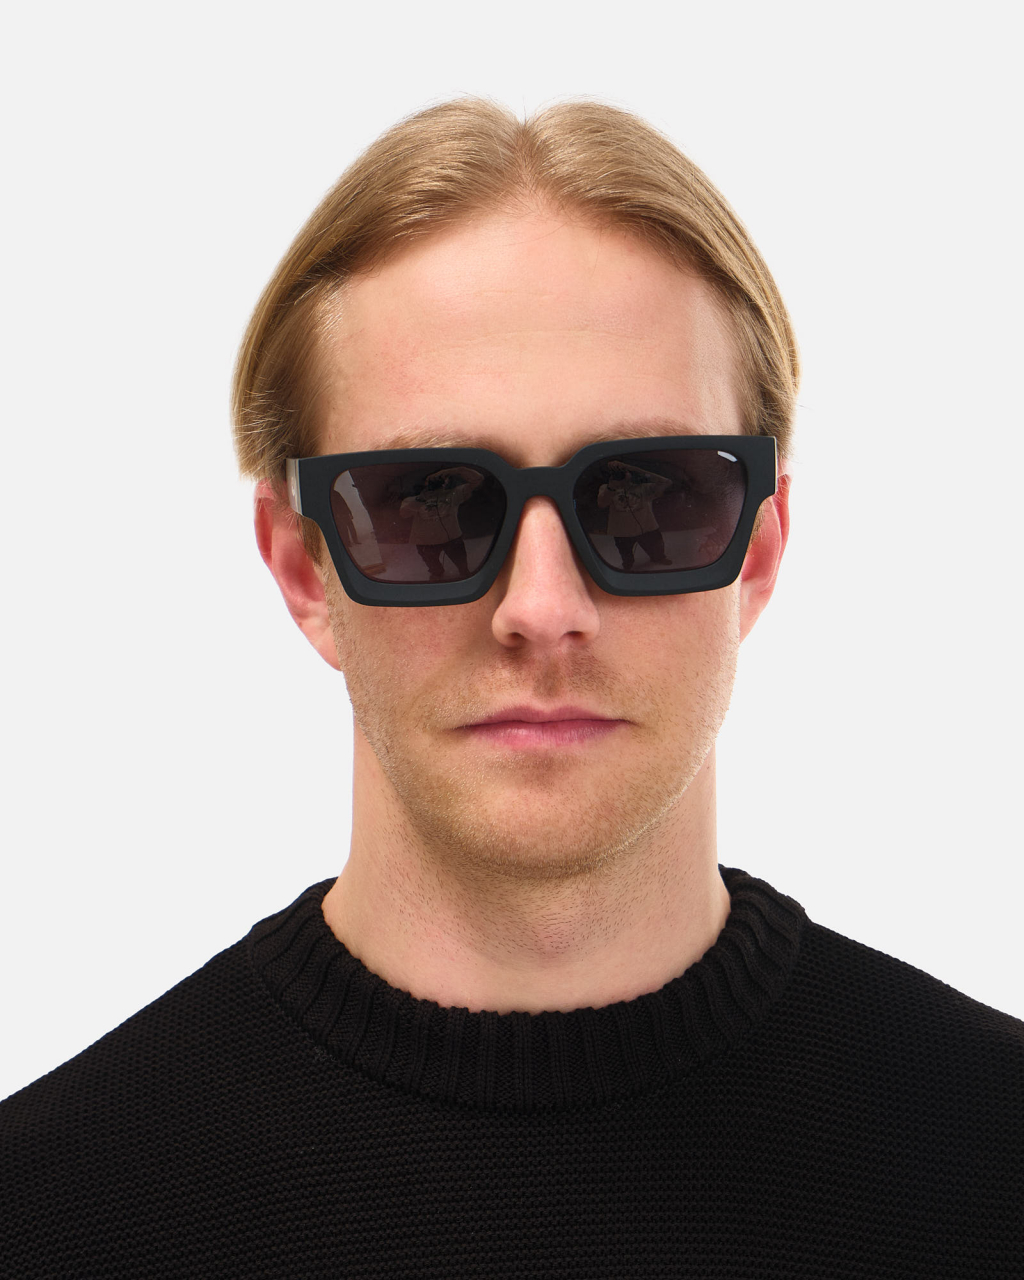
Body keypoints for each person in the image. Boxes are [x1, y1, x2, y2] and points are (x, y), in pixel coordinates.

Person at [2, 97, 1021, 1277]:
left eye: (647, 495)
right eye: (428, 503)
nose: (541, 606)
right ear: (303, 568)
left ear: (755, 551)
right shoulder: (42, 1215)